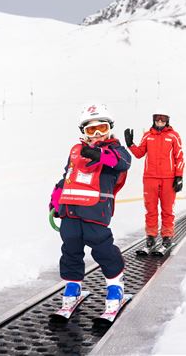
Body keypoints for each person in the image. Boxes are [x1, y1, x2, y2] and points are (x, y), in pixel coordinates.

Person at [49, 103, 131, 312]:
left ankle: (115, 287)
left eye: (101, 128)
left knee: (102, 247)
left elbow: (123, 163)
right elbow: (66, 177)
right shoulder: (76, 151)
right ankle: (72, 288)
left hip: (96, 211)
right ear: (83, 133)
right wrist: (55, 200)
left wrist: (100, 155)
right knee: (70, 248)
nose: (96, 134)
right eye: (90, 130)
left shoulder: (115, 150)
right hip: (70, 211)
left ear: (109, 129)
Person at [124, 109, 184, 250]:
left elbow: (179, 157)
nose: (160, 122)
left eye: (163, 119)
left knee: (167, 209)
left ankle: (167, 236)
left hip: (168, 179)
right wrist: (130, 144)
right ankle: (150, 236)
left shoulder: (173, 136)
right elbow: (139, 154)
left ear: (167, 121)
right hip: (150, 178)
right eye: (158, 119)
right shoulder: (148, 136)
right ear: (154, 120)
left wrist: (178, 176)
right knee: (150, 209)